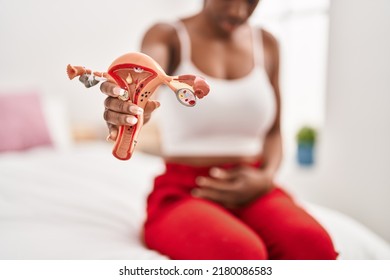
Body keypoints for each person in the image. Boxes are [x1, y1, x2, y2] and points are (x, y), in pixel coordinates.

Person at [100, 0, 338, 260]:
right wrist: (130, 104)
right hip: (186, 192)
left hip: (255, 185)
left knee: (314, 247)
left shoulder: (268, 44)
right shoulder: (168, 36)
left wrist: (266, 177)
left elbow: (273, 132)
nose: (237, 11)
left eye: (249, 1)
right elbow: (145, 79)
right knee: (242, 255)